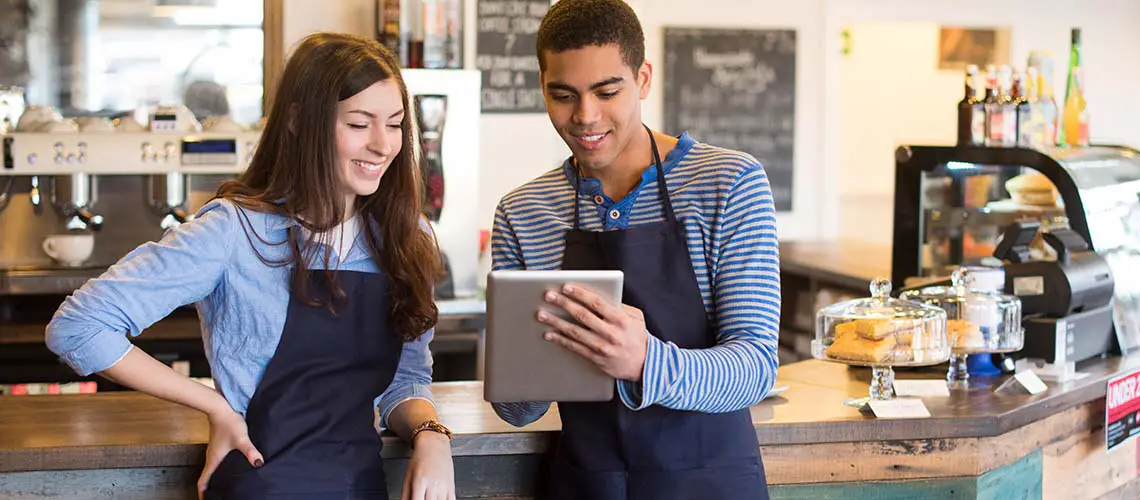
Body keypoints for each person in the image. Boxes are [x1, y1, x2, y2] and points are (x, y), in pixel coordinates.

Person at [45, 32, 456, 500]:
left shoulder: (404, 238)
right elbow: (78, 327)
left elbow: (404, 381)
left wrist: (430, 435)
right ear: (301, 122)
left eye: (396, 123)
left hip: (359, 487)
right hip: (261, 485)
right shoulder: (235, 230)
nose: (384, 145)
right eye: (360, 124)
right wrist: (213, 405)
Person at [488, 1, 781, 498]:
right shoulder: (524, 212)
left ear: (643, 78)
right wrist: (527, 367)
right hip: (589, 484)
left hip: (711, 483)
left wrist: (645, 361)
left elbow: (755, 366)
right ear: (542, 87)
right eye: (563, 95)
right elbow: (518, 410)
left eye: (607, 92)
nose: (585, 116)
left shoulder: (729, 183)